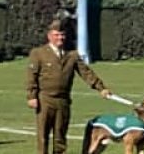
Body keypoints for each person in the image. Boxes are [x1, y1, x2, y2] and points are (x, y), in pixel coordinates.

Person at [25, 19, 113, 154]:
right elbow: (32, 75)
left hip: (63, 101)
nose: (60, 38)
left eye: (62, 35)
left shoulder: (72, 55)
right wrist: (31, 96)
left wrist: (101, 88)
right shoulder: (39, 53)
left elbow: (86, 73)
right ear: (49, 36)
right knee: (43, 136)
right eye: (56, 35)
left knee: (60, 136)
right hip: (45, 99)